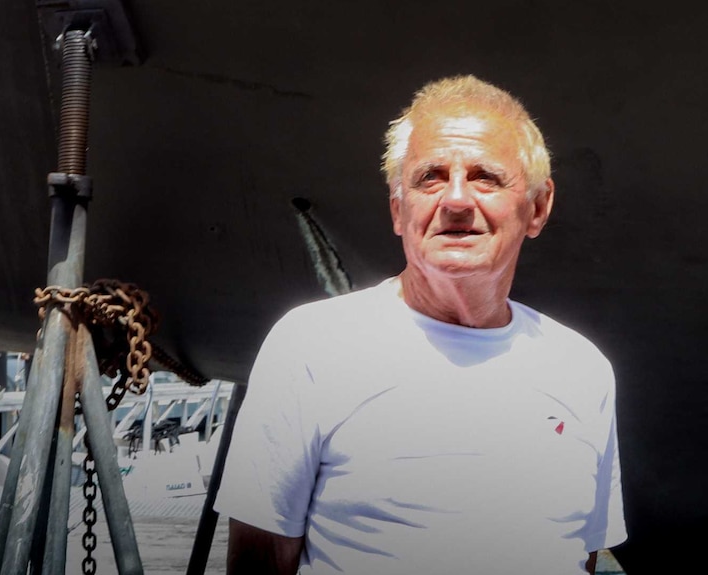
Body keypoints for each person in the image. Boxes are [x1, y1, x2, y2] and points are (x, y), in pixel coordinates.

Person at [213, 74, 627, 574]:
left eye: (485, 177)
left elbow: (577, 557)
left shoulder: (583, 369)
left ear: (537, 207)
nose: (454, 201)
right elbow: (258, 564)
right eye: (430, 177)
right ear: (398, 209)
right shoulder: (312, 347)